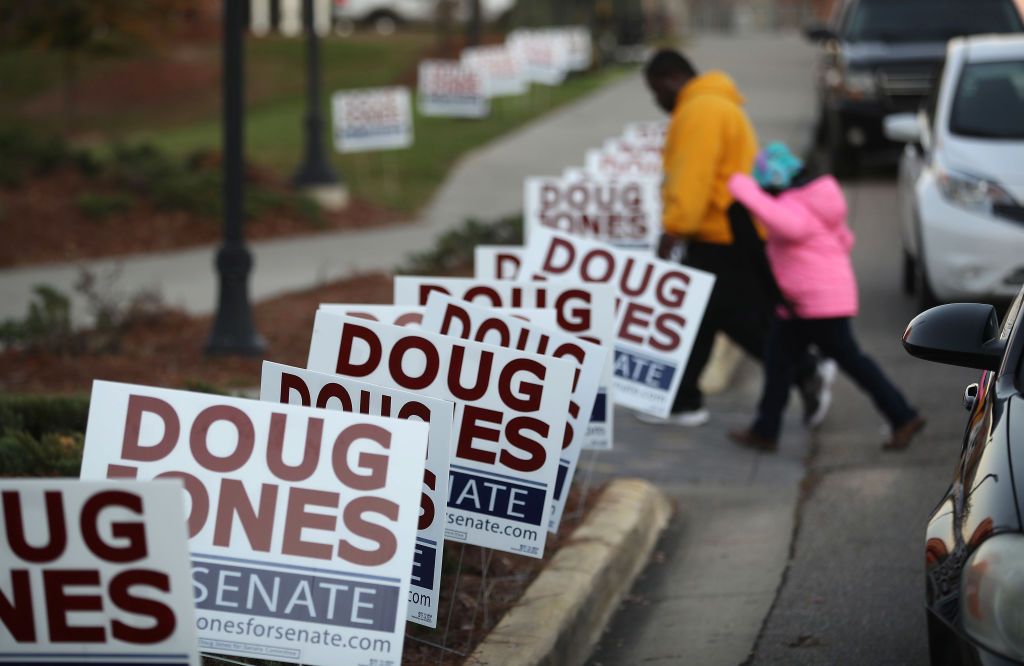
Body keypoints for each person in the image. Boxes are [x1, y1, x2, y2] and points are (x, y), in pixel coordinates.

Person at [641, 49, 829, 427]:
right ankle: (682, 401)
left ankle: (805, 370)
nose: (656, 100)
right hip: (731, 228)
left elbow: (691, 178)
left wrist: (674, 227)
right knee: (700, 317)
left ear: (670, 78)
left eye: (655, 90)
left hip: (720, 232)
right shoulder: (714, 104)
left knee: (737, 318)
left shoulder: (700, 110)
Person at [726, 143, 925, 450]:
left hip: (815, 305)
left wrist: (741, 185)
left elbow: (785, 225)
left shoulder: (794, 205)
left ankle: (902, 415)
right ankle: (765, 430)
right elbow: (844, 240)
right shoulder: (815, 201)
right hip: (809, 303)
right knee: (777, 361)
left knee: (852, 361)